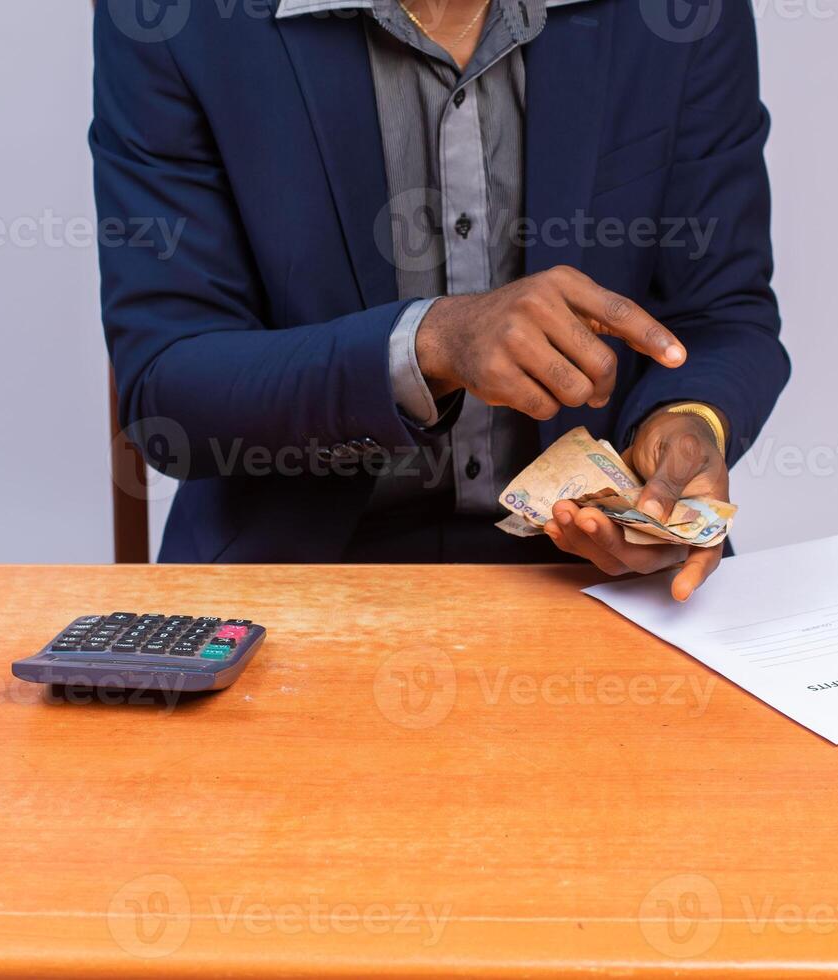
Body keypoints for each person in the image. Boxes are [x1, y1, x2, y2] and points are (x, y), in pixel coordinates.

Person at [93, 0, 789, 599]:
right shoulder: (175, 21)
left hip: (612, 587)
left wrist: (690, 420)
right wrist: (430, 343)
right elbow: (167, 386)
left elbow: (724, 314)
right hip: (291, 582)